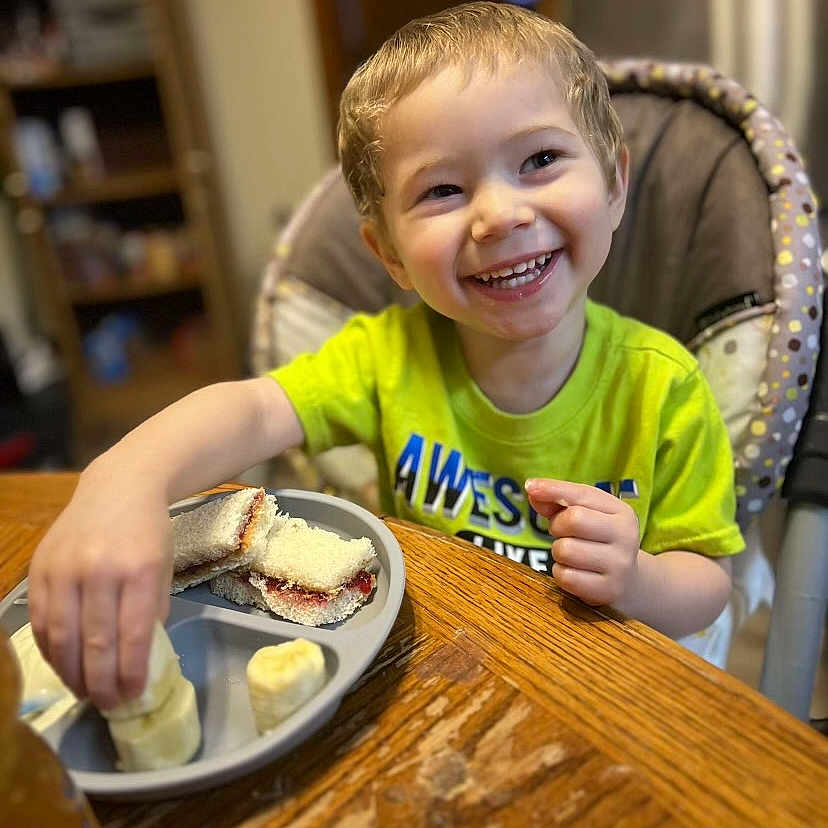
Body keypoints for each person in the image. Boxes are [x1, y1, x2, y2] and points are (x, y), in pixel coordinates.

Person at [29, 2, 743, 711]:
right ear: (390, 255)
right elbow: (250, 409)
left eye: (540, 160)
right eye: (443, 190)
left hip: (595, 689)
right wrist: (120, 482)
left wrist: (638, 580)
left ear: (615, 185)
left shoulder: (666, 387)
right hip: (436, 673)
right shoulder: (384, 357)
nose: (499, 215)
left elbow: (707, 583)